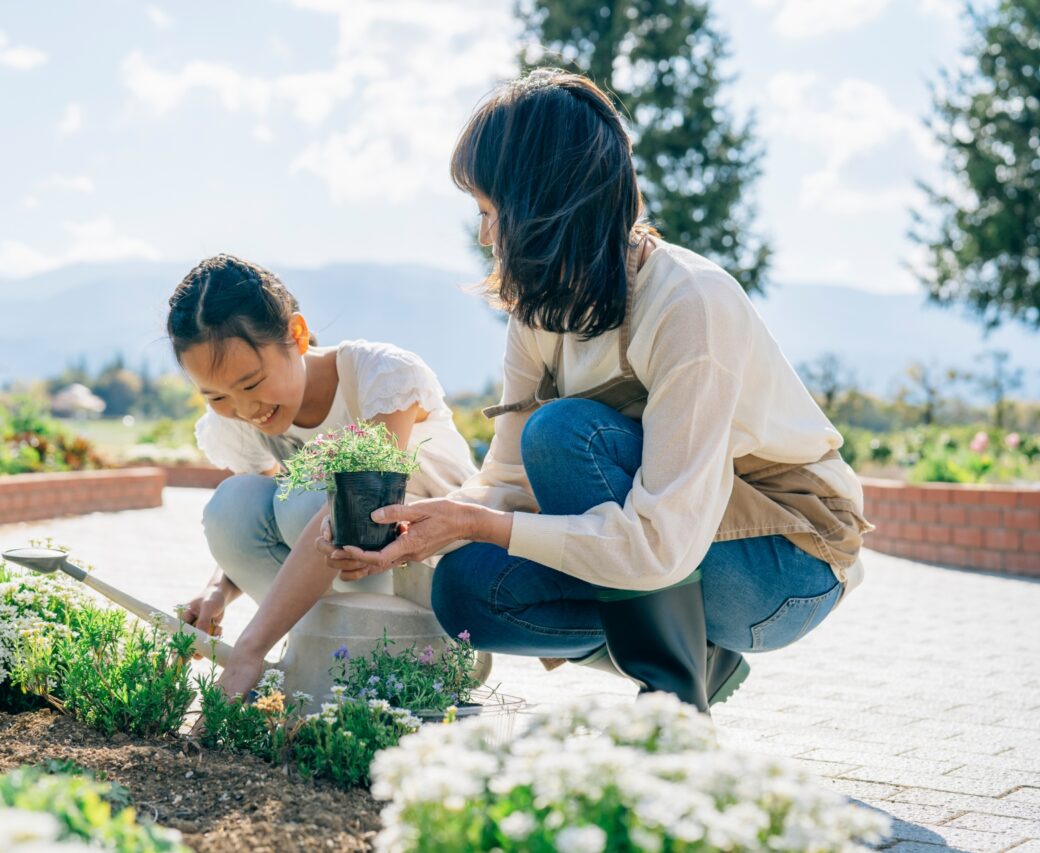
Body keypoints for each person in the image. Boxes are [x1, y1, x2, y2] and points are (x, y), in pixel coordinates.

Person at [317, 70, 873, 714]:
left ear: (543, 207)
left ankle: (671, 709)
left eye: (490, 212)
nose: (483, 236)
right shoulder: (536, 314)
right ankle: (697, 660)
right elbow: (505, 480)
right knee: (468, 592)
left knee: (561, 433)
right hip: (678, 549)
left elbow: (660, 542)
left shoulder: (689, 302)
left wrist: (482, 522)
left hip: (787, 567)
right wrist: (429, 528)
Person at [167, 254, 478, 698]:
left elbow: (350, 513)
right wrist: (216, 592)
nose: (244, 410)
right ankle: (325, 664)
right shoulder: (236, 418)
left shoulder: (379, 375)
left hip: (441, 596)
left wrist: (250, 648)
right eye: (217, 395)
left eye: (252, 384)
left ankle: (409, 661)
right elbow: (250, 528)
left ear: (295, 334)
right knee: (233, 505)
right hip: (349, 584)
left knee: (310, 497)